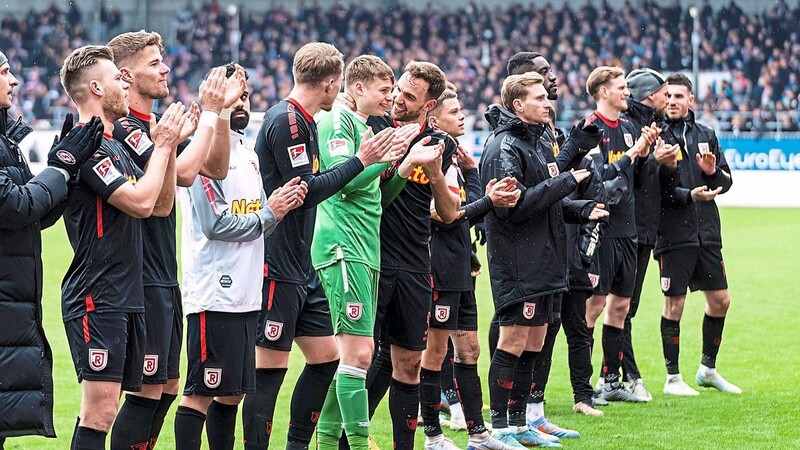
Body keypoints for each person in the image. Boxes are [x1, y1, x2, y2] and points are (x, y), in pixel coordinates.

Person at [245, 42, 401, 450]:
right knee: (269, 370)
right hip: (278, 260)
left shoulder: (308, 121)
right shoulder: (289, 121)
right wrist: (362, 161)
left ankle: (302, 444)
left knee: (327, 357)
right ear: (332, 83)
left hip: (303, 261)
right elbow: (305, 192)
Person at [107, 30, 245, 450]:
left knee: (166, 388)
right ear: (125, 76)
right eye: (154, 63)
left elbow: (215, 167)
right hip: (139, 275)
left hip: (166, 274)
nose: (165, 67)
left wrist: (219, 116)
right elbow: (183, 173)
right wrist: (207, 111)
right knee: (146, 391)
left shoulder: (157, 124)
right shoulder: (127, 127)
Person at [58, 45, 185, 450]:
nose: (124, 83)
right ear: (96, 87)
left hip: (125, 293)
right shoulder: (87, 144)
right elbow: (142, 202)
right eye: (117, 78)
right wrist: (163, 148)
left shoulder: (114, 144)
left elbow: (161, 205)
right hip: (98, 294)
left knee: (116, 406)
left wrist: (165, 149)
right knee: (100, 411)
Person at [176, 74, 307, 450]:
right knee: (202, 391)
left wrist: (274, 212)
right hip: (215, 293)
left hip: (249, 293)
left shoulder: (248, 157)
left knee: (231, 393)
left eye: (245, 95)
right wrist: (270, 213)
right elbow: (216, 224)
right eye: (232, 96)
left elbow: (256, 223)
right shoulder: (198, 155)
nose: (242, 103)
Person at [313, 55, 437, 450]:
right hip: (343, 246)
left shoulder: (364, 127)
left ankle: (328, 443)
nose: (391, 98)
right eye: (386, 90)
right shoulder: (338, 121)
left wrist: (401, 166)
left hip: (366, 249)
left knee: (356, 355)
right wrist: (383, 156)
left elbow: (375, 197)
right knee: (360, 353)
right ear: (359, 87)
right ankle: (361, 443)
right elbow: (343, 180)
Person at [480, 72, 606, 449]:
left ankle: (521, 424)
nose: (547, 103)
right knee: (514, 340)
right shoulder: (504, 147)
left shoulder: (537, 143)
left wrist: (582, 209)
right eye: (538, 97)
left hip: (546, 259)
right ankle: (499, 426)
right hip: (519, 261)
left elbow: (545, 202)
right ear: (518, 105)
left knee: (534, 341)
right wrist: (567, 181)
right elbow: (513, 208)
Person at [0, 50, 103, 445]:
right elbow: (15, 205)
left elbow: (34, 214)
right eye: (5, 72)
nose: (14, 81)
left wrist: (68, 172)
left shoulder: (6, 142)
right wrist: (59, 166)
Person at [364, 60, 461, 450]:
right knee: (361, 359)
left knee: (407, 364)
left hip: (416, 265)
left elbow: (451, 213)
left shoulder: (442, 144)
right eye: (397, 90)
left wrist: (435, 172)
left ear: (428, 105)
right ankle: (343, 438)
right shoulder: (374, 129)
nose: (397, 100)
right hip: (371, 258)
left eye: (408, 96)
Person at [419, 89, 520, 450]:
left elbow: (468, 215)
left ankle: (478, 433)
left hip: (459, 264)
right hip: (438, 266)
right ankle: (432, 434)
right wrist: (489, 199)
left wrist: (474, 174)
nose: (463, 116)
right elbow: (443, 216)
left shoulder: (453, 159)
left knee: (471, 351)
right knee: (434, 352)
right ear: (433, 118)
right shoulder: (431, 157)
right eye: (454, 111)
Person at [656, 73, 740, 396]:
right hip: (674, 234)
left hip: (707, 233)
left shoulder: (706, 134)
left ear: (691, 100)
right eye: (668, 96)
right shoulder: (657, 136)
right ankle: (672, 377)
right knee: (673, 305)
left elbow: (727, 181)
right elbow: (657, 191)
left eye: (679, 96)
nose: (673, 101)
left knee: (720, 301)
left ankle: (707, 368)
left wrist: (712, 173)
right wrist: (688, 195)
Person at [581, 66, 658, 403]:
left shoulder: (628, 128)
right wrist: (635, 151)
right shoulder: (589, 129)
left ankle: (611, 380)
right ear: (603, 91)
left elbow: (634, 177)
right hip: (601, 229)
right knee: (593, 307)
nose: (627, 92)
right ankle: (582, 384)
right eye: (621, 87)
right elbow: (599, 176)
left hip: (629, 230)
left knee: (621, 307)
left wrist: (648, 153)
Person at [617, 68, 669, 402]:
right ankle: (626, 376)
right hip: (628, 230)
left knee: (623, 307)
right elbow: (626, 177)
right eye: (665, 92)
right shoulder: (630, 129)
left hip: (642, 229)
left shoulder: (649, 126)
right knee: (620, 307)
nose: (669, 98)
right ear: (650, 96)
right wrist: (653, 161)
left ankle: (615, 376)